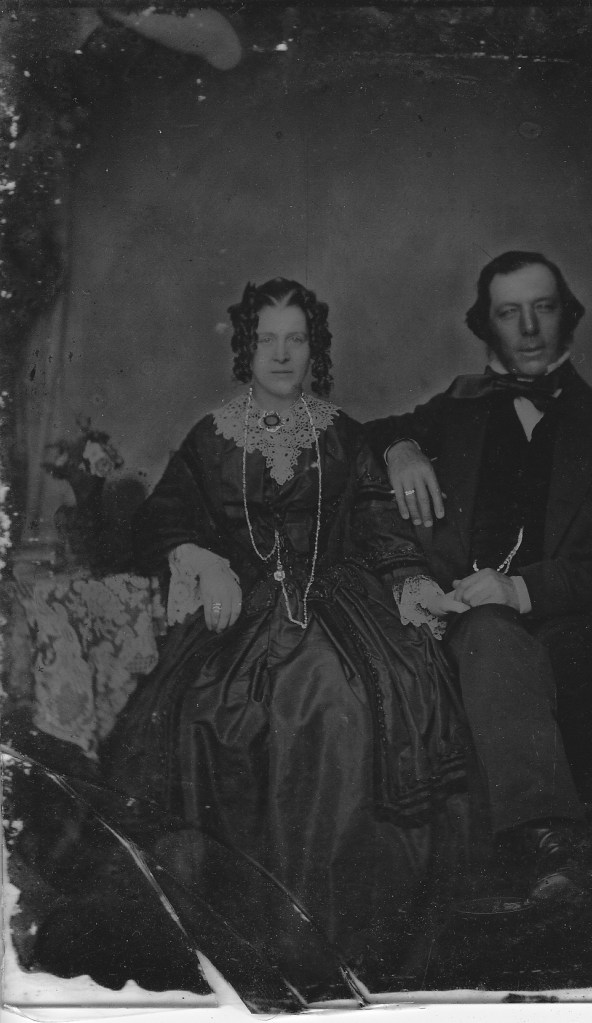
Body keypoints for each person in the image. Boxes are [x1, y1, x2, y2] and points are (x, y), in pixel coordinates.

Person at [100, 277, 470, 981]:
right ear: (246, 348)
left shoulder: (342, 434)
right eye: (266, 339)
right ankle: (242, 934)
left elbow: (377, 519)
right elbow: (162, 517)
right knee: (208, 713)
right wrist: (203, 559)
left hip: (336, 604)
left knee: (334, 703)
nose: (279, 354)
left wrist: (409, 579)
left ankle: (325, 940)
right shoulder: (211, 437)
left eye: (294, 339)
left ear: (313, 349)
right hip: (237, 611)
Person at [365, 250, 592, 914]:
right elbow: (352, 439)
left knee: (499, 635)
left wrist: (523, 588)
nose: (529, 328)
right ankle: (546, 846)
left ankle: (547, 844)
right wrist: (400, 448)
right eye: (510, 312)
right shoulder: (456, 411)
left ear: (568, 315)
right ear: (487, 324)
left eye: (544, 307)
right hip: (460, 625)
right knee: (480, 635)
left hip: (572, 632)